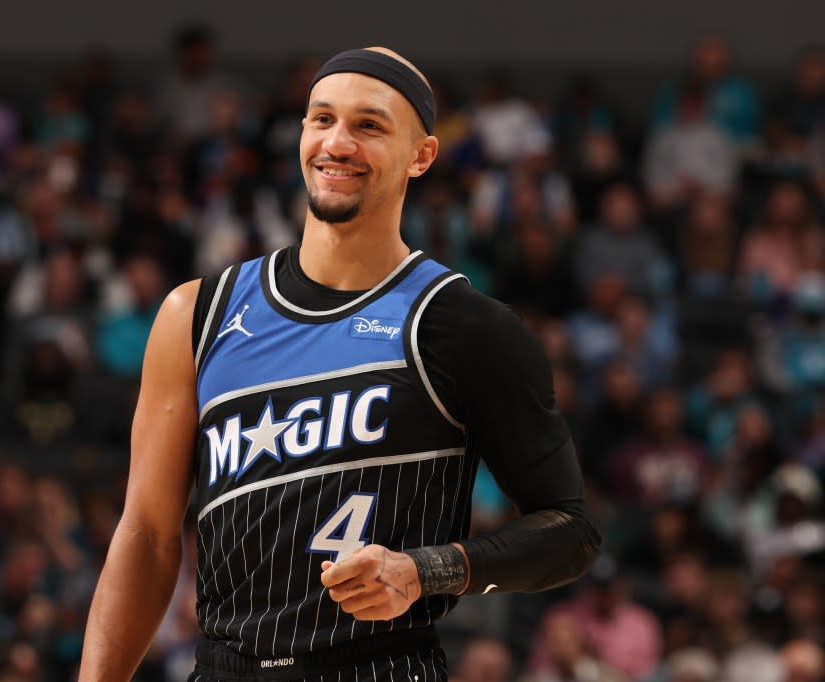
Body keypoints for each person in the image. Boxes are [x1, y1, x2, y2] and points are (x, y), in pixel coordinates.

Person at [81, 46, 601, 681]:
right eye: (322, 119)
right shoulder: (196, 313)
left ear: (421, 156)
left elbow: (571, 531)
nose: (337, 143)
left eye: (369, 125)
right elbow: (147, 535)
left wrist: (426, 570)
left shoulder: (465, 325)